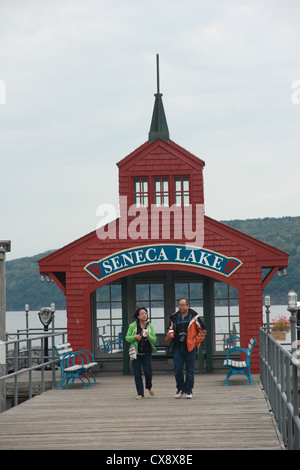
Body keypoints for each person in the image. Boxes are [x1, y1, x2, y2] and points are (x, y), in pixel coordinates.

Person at [166, 298, 206, 399]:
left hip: (190, 348)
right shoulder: (174, 318)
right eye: (180, 305)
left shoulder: (195, 318)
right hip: (177, 348)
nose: (181, 307)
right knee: (178, 370)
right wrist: (169, 334)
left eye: (183, 305)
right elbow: (169, 329)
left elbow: (203, 331)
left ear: (188, 306)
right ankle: (180, 389)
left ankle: (189, 390)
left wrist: (195, 342)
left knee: (190, 370)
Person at [125, 306, 157, 399]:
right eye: (142, 314)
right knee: (137, 374)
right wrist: (134, 337)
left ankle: (149, 386)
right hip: (136, 353)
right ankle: (140, 393)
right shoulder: (133, 326)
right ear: (138, 316)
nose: (144, 315)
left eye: (145, 313)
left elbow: (154, 339)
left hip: (147, 353)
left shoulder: (149, 325)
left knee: (148, 372)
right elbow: (127, 338)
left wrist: (148, 336)